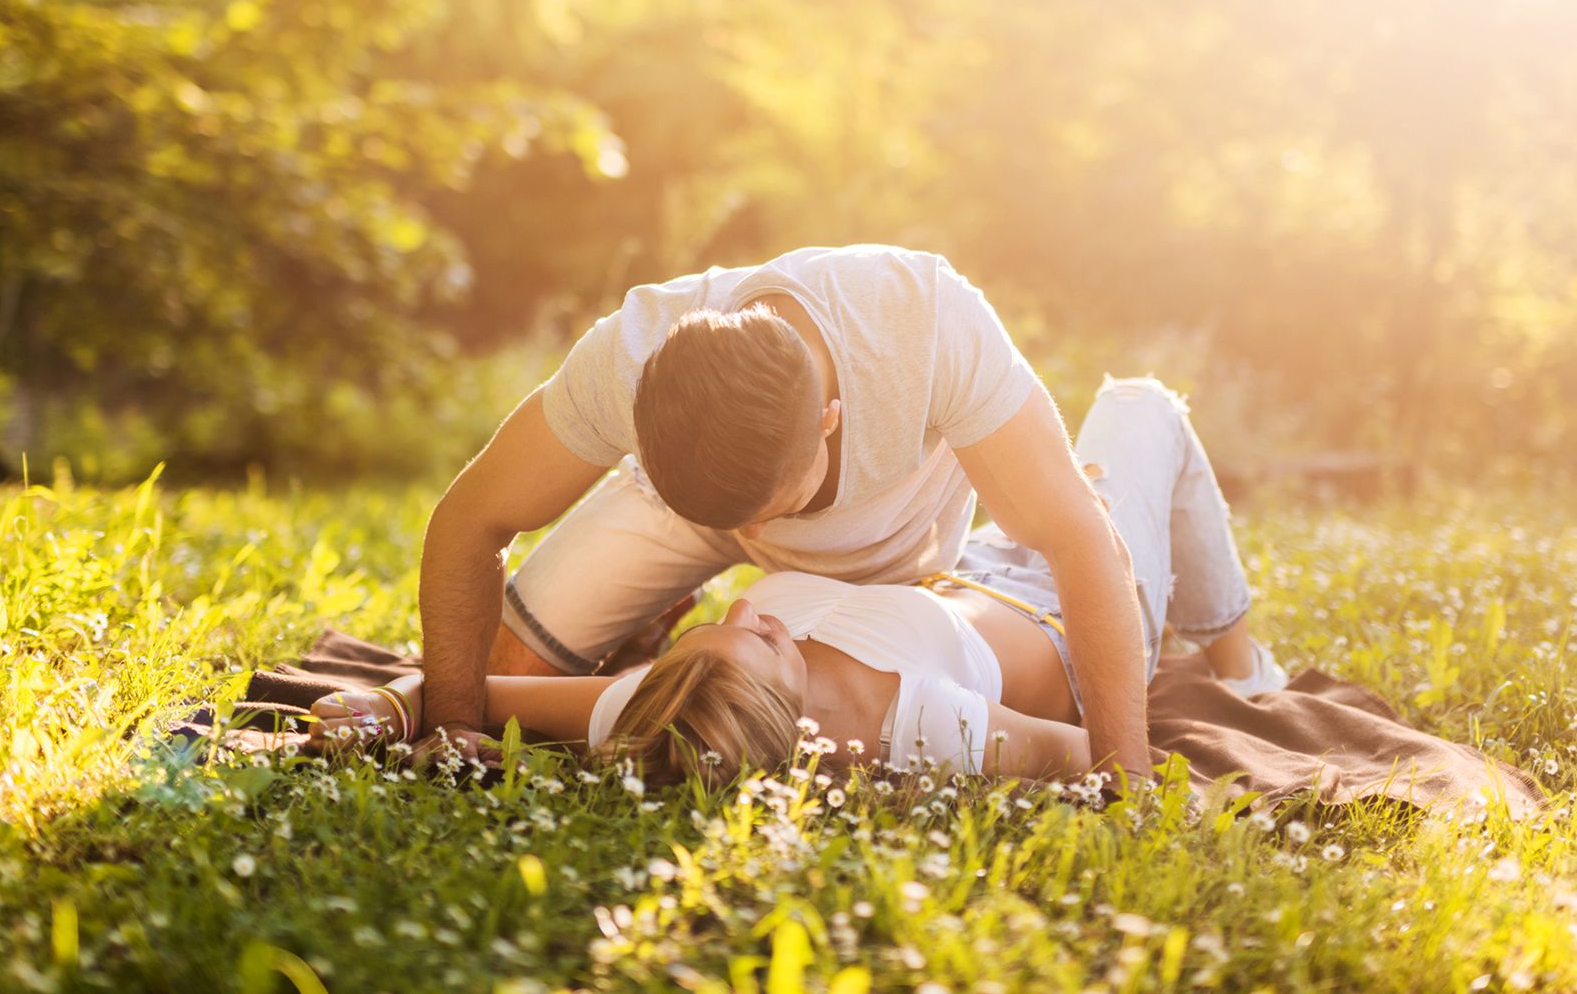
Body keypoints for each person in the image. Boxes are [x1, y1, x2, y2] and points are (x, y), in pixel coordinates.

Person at [416, 245, 1274, 780]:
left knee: (1134, 413)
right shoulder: (628, 362)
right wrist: (449, 723)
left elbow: (1081, 541)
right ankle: (679, 562)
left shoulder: (926, 323)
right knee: (505, 655)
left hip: (911, 551)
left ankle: (1239, 656)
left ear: (831, 419)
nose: (758, 561)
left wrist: (1124, 775)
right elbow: (468, 524)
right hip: (768, 526)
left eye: (775, 511)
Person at [317, 376, 1286, 784]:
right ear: (796, 717)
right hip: (1074, 610)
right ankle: (1238, 659)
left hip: (976, 565)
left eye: (717, 623)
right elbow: (1086, 752)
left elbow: (477, 694)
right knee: (1139, 404)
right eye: (762, 634)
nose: (742, 605)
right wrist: (1090, 545)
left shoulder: (672, 704)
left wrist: (390, 708)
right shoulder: (913, 719)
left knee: (1072, 469)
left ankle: (1187, 605)